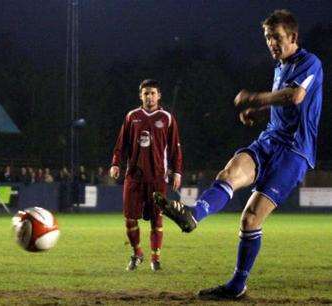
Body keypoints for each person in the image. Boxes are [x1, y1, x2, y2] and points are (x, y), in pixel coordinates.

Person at [154, 10, 323, 300]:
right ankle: (193, 216)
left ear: (293, 37)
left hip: (294, 152)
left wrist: (255, 98)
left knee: (250, 220)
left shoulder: (310, 62)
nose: (271, 43)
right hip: (269, 141)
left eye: (277, 37)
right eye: (268, 37)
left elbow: (294, 97)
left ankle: (236, 285)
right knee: (229, 174)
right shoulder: (280, 67)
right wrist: (259, 113)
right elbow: (282, 103)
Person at [110, 79, 183, 271]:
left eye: (152, 93)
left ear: (159, 96)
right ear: (140, 96)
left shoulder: (167, 118)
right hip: (133, 176)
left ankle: (155, 258)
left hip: (157, 177)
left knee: (156, 219)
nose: (149, 96)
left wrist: (177, 172)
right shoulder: (131, 116)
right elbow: (121, 144)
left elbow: (175, 148)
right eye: (145, 93)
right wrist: (116, 163)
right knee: (129, 218)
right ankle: (137, 253)